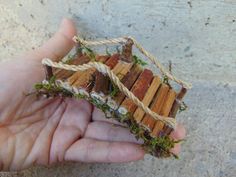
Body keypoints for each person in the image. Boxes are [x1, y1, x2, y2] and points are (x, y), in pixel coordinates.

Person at [0, 18, 186, 171]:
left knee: (115, 82)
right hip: (85, 77)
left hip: (102, 80)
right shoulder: (75, 76)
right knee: (103, 78)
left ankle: (160, 134)